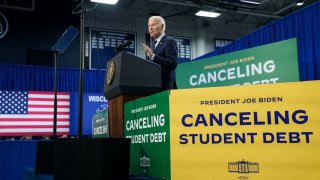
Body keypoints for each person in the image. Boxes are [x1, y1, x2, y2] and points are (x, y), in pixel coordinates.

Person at [143, 16, 178, 91]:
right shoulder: (153, 45)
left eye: (153, 25)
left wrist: (153, 56)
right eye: (149, 25)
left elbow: (172, 64)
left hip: (165, 88)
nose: (150, 28)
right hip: (153, 87)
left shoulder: (169, 41)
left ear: (162, 26)